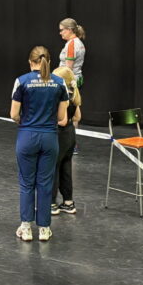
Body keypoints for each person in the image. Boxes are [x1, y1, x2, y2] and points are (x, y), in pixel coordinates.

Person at [11, 46, 68, 242]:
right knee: (45, 183)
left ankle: (26, 228)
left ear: (30, 62)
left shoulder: (21, 81)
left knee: (26, 183)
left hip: (27, 137)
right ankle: (44, 229)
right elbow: (61, 116)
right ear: (49, 62)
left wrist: (24, 121)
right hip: (49, 138)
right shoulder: (60, 83)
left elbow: (13, 114)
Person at [50, 66, 81, 215]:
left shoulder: (61, 97)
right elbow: (77, 117)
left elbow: (61, 121)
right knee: (66, 168)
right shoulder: (74, 95)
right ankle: (68, 202)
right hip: (70, 135)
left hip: (60, 135)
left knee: (53, 168)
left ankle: (51, 203)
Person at [58, 18, 86, 89]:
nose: (60, 33)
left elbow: (68, 70)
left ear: (69, 30)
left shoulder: (72, 44)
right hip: (77, 79)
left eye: (61, 30)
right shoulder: (79, 42)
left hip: (70, 82)